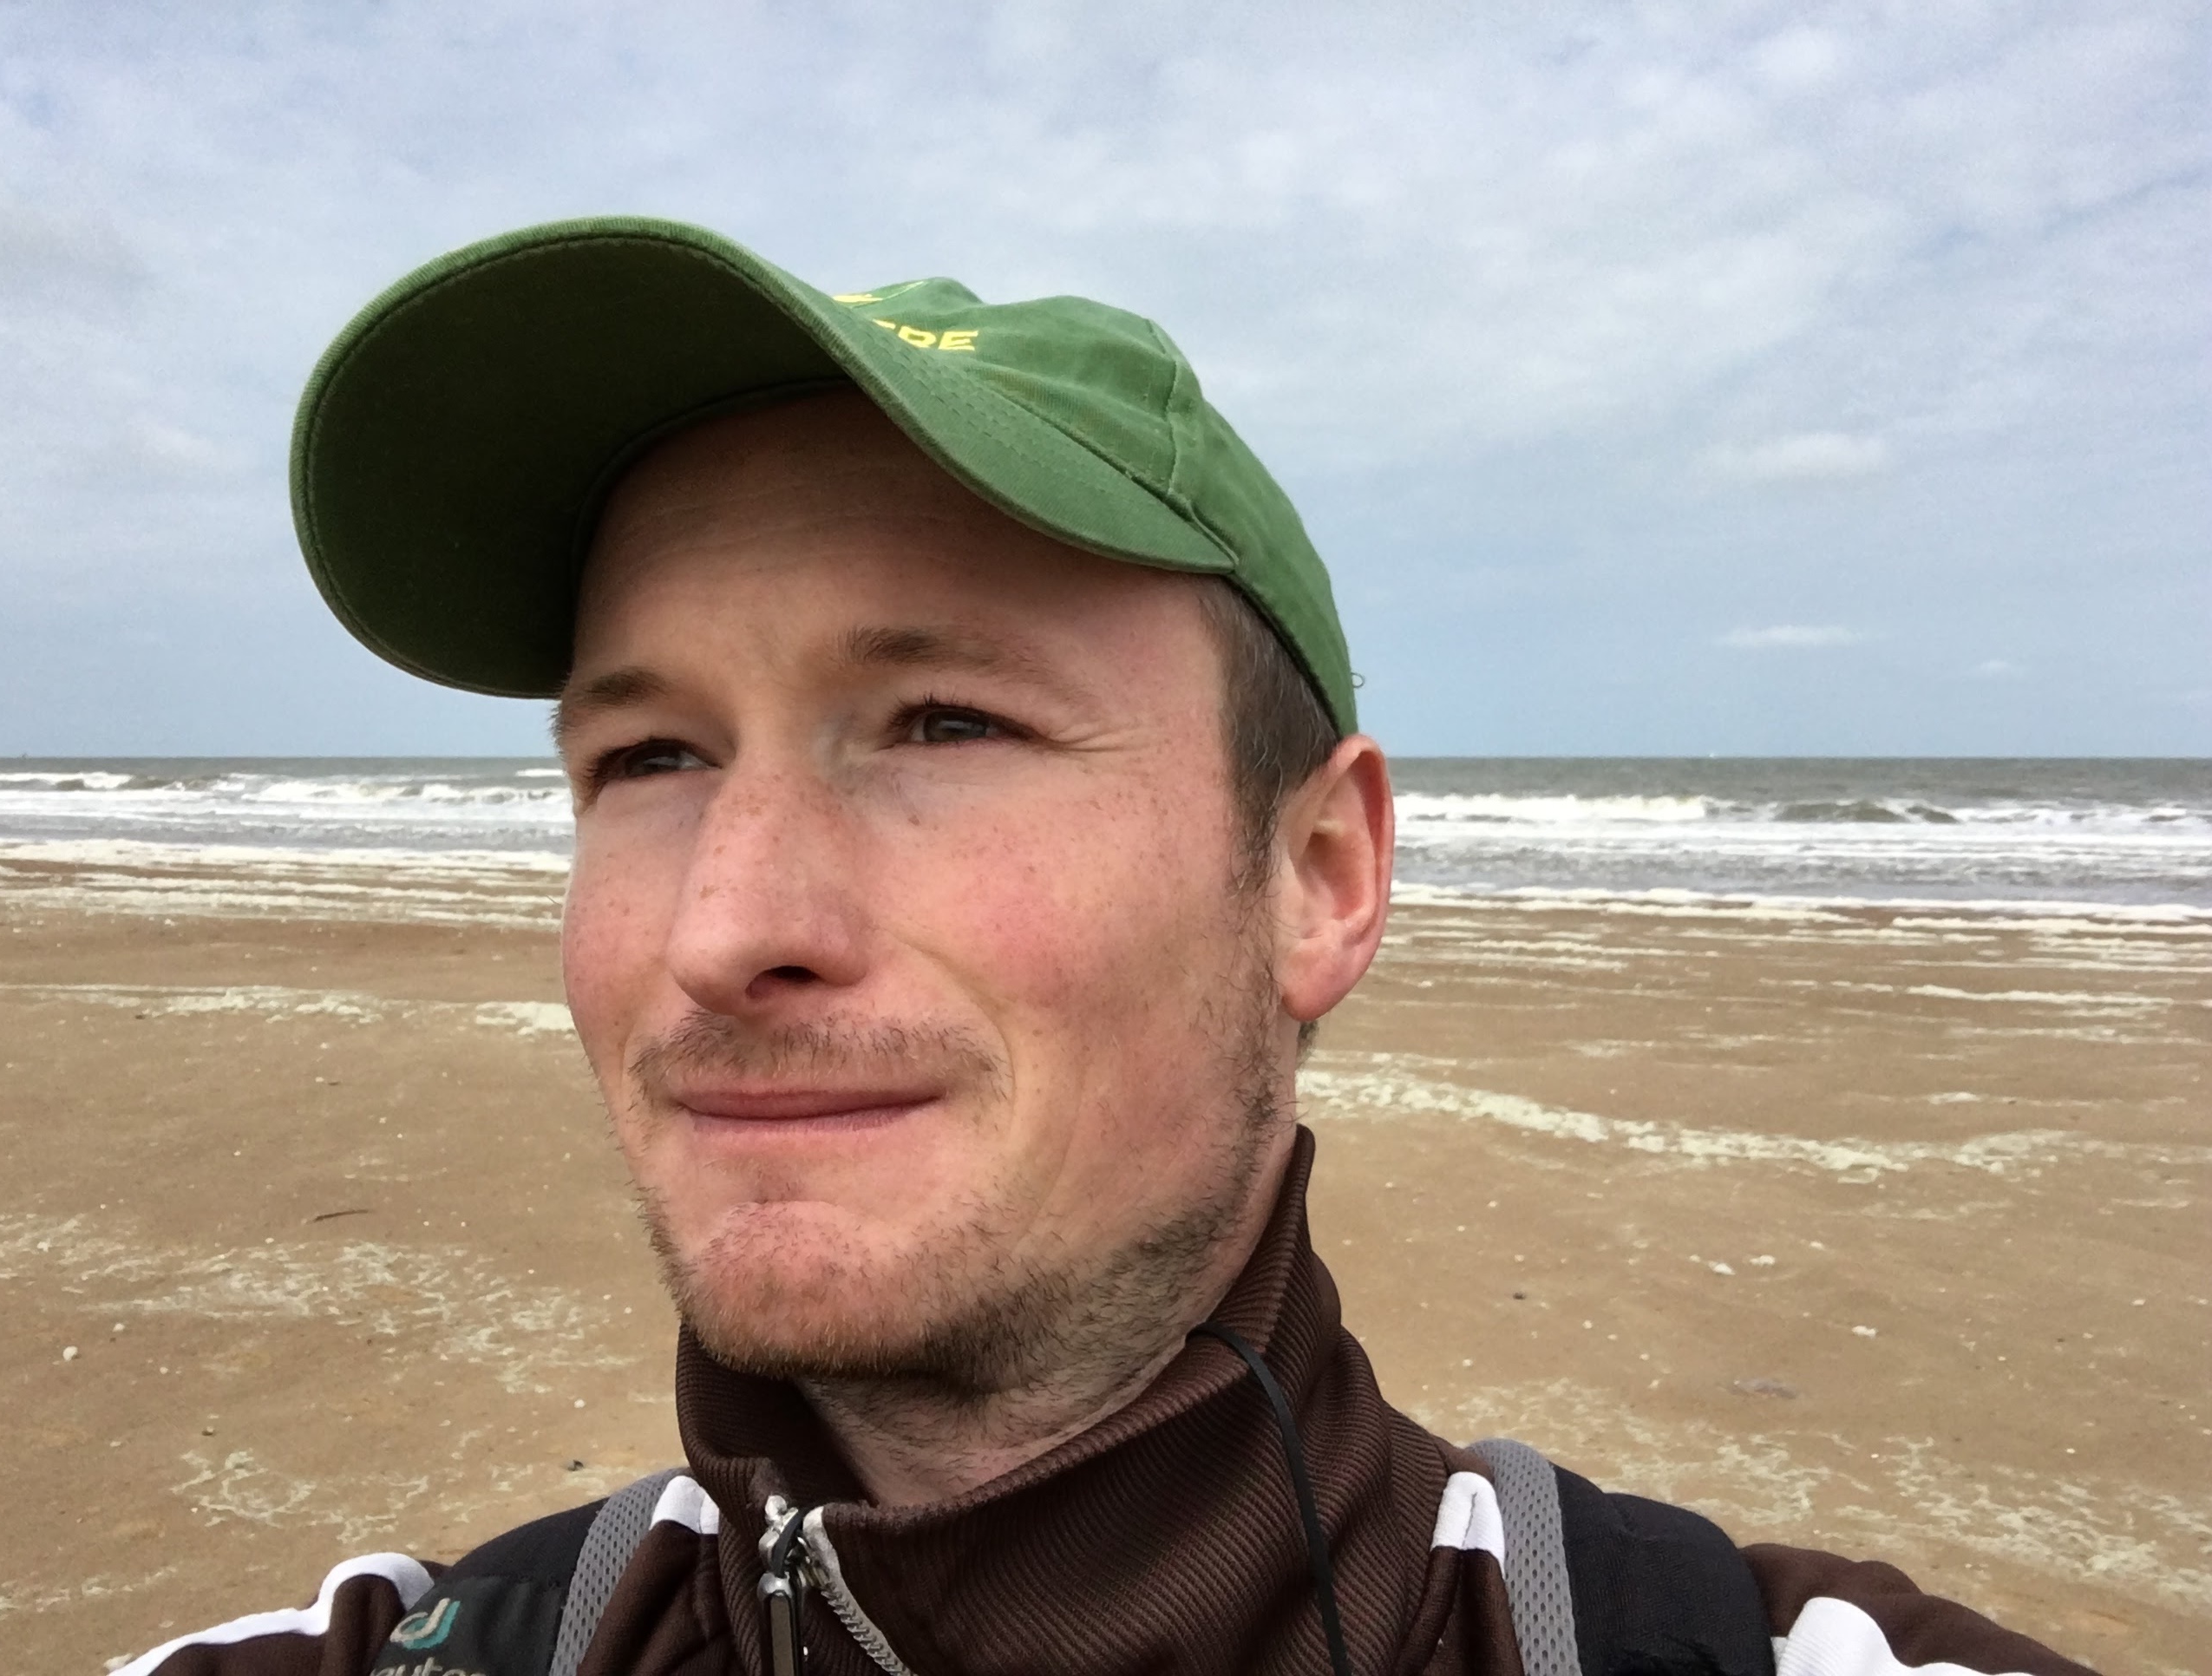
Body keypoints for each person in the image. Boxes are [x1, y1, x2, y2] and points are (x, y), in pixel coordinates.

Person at [123, 218, 2092, 1676]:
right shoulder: (449, 1645)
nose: (725, 932)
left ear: (1318, 872)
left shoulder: (1695, 1649)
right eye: (645, 756)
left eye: (943, 723)